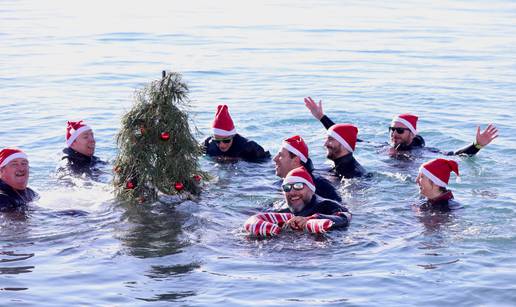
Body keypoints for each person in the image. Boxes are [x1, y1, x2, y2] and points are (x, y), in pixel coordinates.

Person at [304, 97, 498, 156]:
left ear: (412, 134)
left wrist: (477, 145)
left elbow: (454, 155)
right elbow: (348, 138)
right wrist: (321, 117)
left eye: (399, 130)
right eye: (392, 129)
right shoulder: (384, 147)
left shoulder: (420, 152)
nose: (394, 134)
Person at [244, 166, 351, 236]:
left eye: (298, 186)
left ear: (311, 189)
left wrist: (310, 219)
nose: (293, 192)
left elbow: (345, 218)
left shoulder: (326, 205)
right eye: (287, 188)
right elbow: (255, 217)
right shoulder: (280, 209)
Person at [274, 135, 341, 201]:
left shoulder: (320, 187)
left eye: (281, 155)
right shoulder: (283, 183)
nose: (274, 159)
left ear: (295, 161)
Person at [203, 105, 270, 162]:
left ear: (233, 136)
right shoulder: (208, 144)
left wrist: (238, 160)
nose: (221, 145)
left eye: (226, 140)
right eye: (217, 141)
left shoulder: (249, 147)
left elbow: (267, 163)